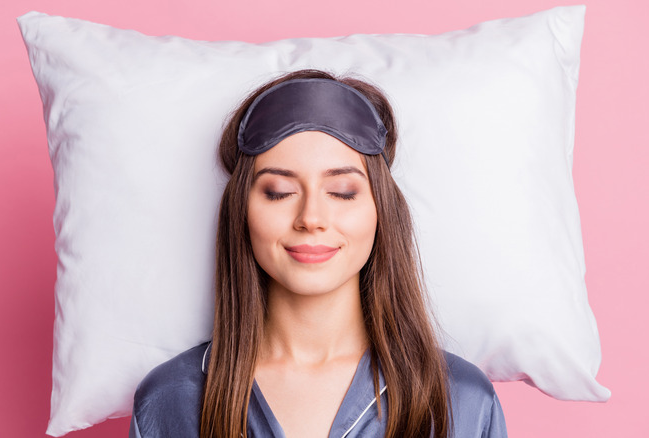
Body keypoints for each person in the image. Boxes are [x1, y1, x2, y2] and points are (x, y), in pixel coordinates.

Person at [130, 69, 507, 438]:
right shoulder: (170, 401)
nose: (311, 218)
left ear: (381, 211)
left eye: (342, 191)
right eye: (278, 191)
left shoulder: (463, 401)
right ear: (241, 211)